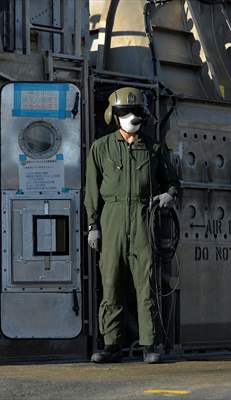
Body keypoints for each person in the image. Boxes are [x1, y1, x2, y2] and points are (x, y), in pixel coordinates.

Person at [84, 87, 180, 363]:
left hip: (142, 217)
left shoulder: (153, 148)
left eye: (136, 112)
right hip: (111, 219)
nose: (131, 117)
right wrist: (93, 225)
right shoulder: (100, 148)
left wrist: (168, 195)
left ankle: (149, 344)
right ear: (114, 116)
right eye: (125, 113)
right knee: (111, 283)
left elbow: (173, 182)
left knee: (145, 283)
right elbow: (91, 191)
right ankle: (113, 345)